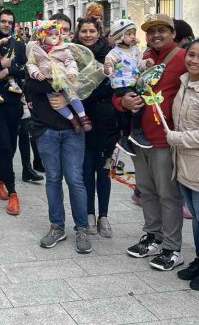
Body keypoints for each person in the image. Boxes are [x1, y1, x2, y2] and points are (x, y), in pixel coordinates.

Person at [116, 13, 186, 271]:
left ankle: (172, 246)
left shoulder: (182, 57)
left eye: (161, 30)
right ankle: (153, 235)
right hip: (139, 136)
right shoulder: (140, 58)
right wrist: (122, 102)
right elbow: (119, 89)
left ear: (173, 33)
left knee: (168, 194)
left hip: (165, 138)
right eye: (151, 31)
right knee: (146, 190)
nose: (156, 35)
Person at [25, 32, 92, 254]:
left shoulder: (73, 54)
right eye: (51, 33)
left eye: (60, 32)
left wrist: (66, 92)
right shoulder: (35, 52)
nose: (55, 37)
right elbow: (31, 85)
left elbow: (90, 86)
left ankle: (82, 228)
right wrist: (62, 85)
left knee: (75, 180)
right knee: (53, 179)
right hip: (47, 129)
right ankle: (57, 226)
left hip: (74, 132)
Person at [165, 38, 199, 290]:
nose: (194, 61)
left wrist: (179, 139)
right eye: (191, 55)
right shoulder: (184, 82)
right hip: (183, 163)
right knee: (197, 218)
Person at [73, 17, 119, 237]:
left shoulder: (111, 54)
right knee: (85, 170)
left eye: (92, 31)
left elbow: (117, 85)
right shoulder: (71, 54)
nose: (88, 35)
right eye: (84, 31)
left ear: (99, 32)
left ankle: (104, 215)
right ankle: (89, 213)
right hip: (82, 119)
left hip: (106, 121)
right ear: (78, 33)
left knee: (104, 171)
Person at [0, 9, 28, 216]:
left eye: (10, 22)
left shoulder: (18, 44)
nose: (6, 24)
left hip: (13, 101)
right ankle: (12, 192)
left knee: (11, 145)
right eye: (3, 21)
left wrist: (6, 70)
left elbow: (24, 70)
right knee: (3, 145)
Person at [26, 21, 92, 133]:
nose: (54, 37)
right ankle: (73, 120)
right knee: (55, 103)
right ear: (42, 36)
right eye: (50, 34)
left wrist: (71, 72)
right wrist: (35, 73)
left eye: (56, 34)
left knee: (73, 97)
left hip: (63, 78)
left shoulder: (63, 48)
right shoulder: (35, 49)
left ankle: (83, 118)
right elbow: (31, 63)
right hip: (47, 80)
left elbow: (70, 61)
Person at [105, 18, 152, 154]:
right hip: (121, 85)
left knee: (127, 113)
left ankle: (125, 138)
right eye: (129, 34)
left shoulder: (135, 50)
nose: (132, 37)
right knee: (138, 104)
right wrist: (107, 70)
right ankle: (136, 132)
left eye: (133, 34)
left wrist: (146, 63)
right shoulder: (114, 53)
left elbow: (139, 64)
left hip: (133, 83)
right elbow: (108, 68)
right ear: (120, 36)